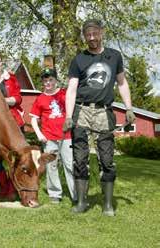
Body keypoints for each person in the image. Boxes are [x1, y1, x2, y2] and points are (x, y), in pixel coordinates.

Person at [64, 19, 136, 216]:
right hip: (81, 112)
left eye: (95, 33)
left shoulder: (114, 56)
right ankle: (81, 202)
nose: (92, 38)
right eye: (88, 34)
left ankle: (107, 205)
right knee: (80, 159)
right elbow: (71, 90)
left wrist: (129, 108)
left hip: (104, 112)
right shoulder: (79, 59)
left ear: (102, 32)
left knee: (107, 160)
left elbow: (122, 83)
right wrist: (68, 116)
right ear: (84, 36)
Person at [30, 68, 76, 204]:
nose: (48, 83)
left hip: (66, 136)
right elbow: (33, 119)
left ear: (56, 80)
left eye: (50, 80)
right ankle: (55, 193)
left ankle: (76, 194)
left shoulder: (64, 94)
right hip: (49, 138)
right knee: (52, 166)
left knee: (70, 165)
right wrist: (39, 134)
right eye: (45, 80)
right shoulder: (40, 99)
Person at [0, 52, 25, 201]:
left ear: (2, 63)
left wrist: (0, 101)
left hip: (12, 122)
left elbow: (18, 98)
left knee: (16, 157)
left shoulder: (11, 78)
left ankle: (15, 187)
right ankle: (4, 187)